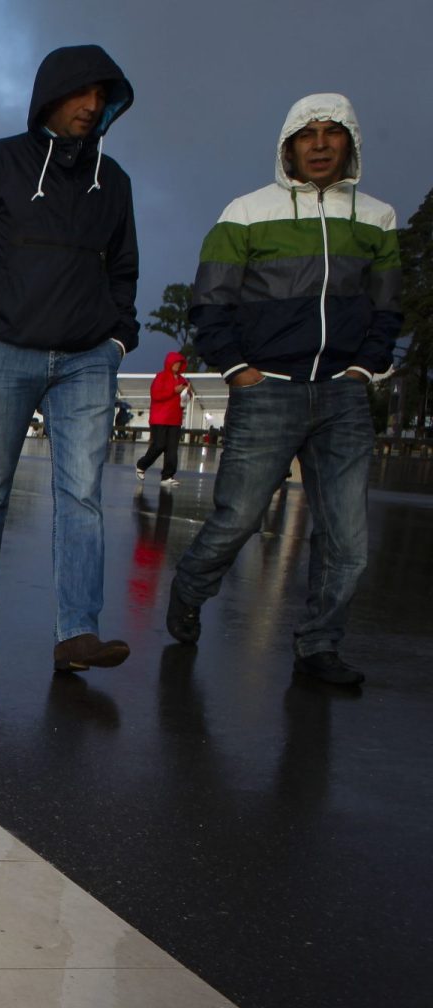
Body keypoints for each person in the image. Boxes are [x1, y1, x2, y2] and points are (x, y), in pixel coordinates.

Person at [167, 93, 402, 687]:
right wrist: (238, 370)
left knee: (347, 539)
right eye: (307, 134)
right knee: (238, 519)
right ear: (288, 146)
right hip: (267, 389)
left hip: (344, 395)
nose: (320, 144)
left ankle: (319, 645)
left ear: (350, 142)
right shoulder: (245, 212)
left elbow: (386, 308)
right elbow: (210, 302)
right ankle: (190, 587)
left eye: (332, 133)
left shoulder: (376, 218)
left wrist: (364, 371)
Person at [0, 44, 139, 671]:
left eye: (102, 96)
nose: (92, 105)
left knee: (81, 496)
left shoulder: (116, 183)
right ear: (51, 95)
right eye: (82, 93)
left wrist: (117, 341)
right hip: (5, 351)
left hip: (85, 361)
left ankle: (77, 633)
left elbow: (124, 270)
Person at [135, 351, 189, 485]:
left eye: (179, 363)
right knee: (159, 445)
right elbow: (156, 395)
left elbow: (185, 398)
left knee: (172, 449)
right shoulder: (161, 377)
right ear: (169, 363)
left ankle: (167, 476)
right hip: (160, 418)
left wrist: (187, 394)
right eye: (175, 362)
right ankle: (142, 465)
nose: (177, 365)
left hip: (175, 419)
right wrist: (174, 391)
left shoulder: (183, 380)